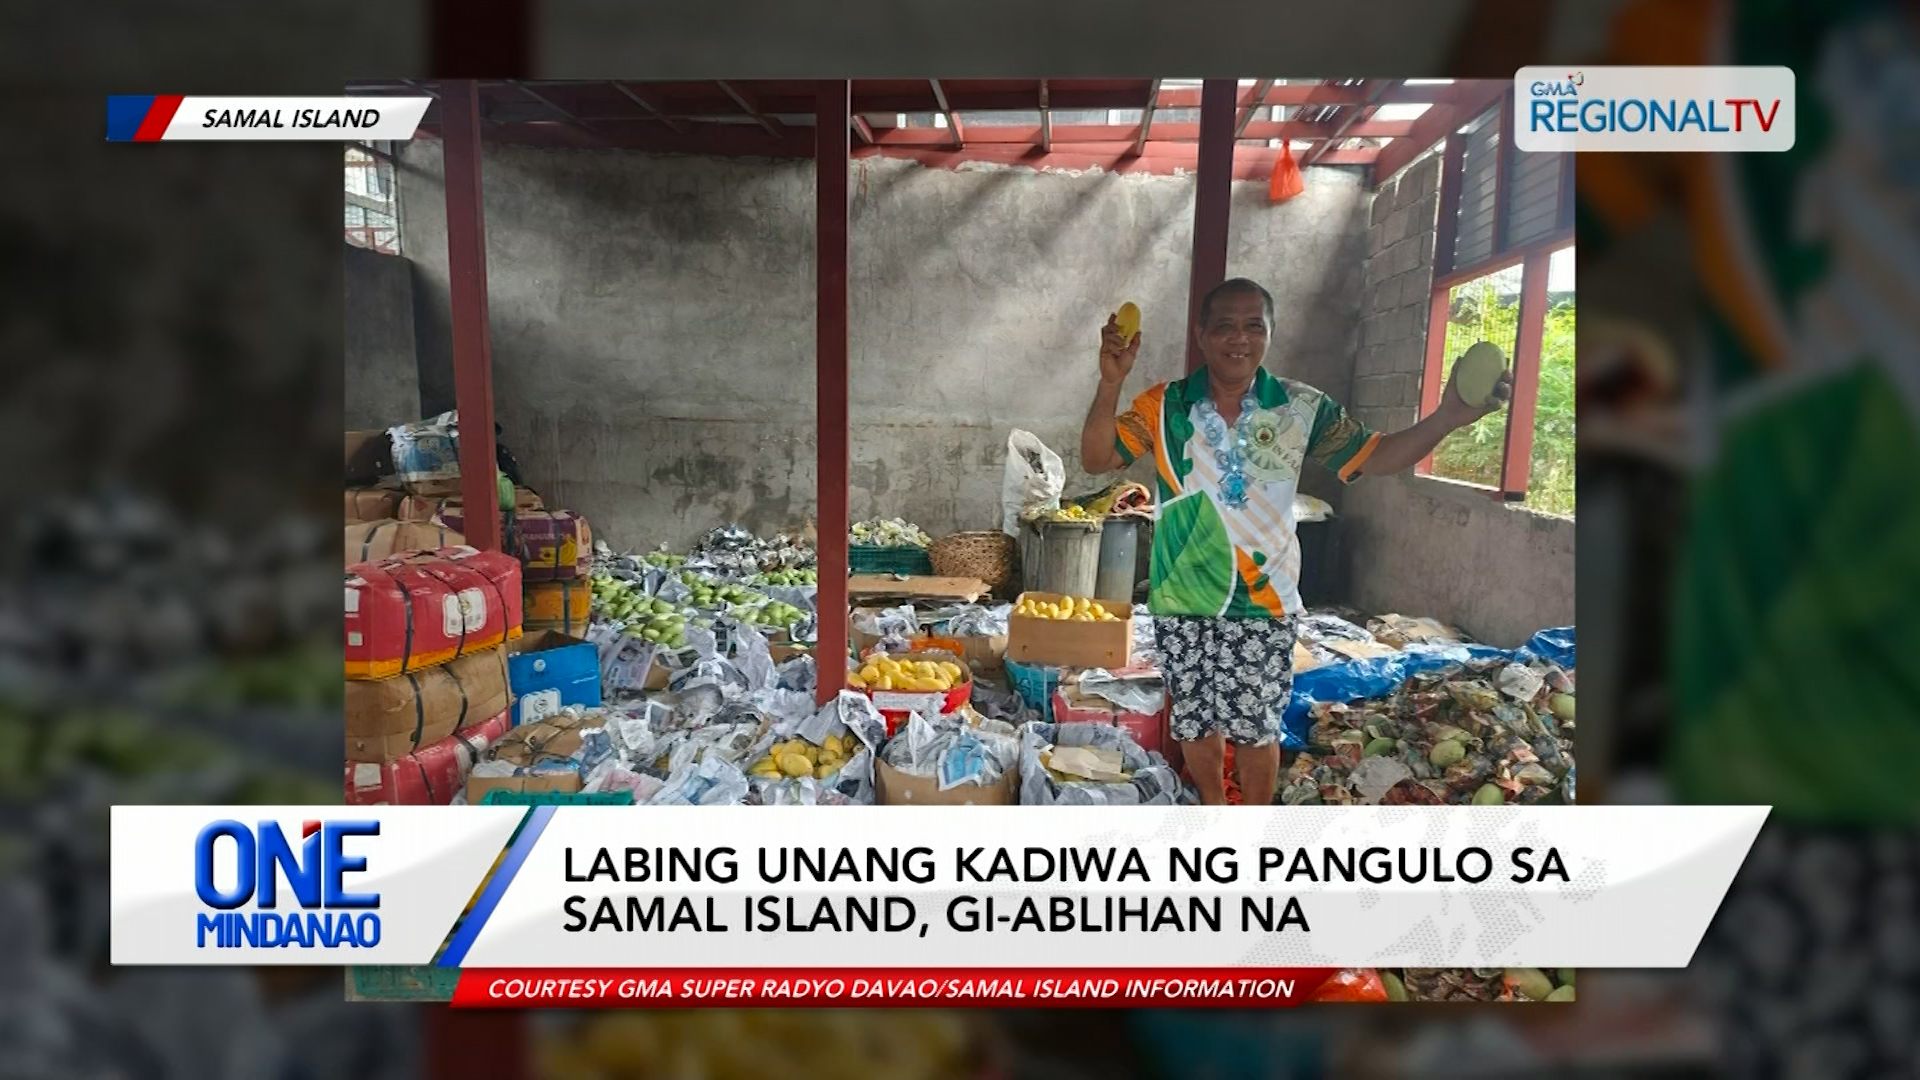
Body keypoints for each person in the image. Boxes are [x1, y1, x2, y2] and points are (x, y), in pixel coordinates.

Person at [1080, 278, 1512, 805]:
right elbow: (1097, 458)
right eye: (1224, 326)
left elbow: (1375, 455)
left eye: (1253, 326)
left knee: (1257, 728)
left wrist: (1449, 417)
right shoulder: (1164, 404)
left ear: (1270, 333)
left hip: (1265, 598)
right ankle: (1216, 815)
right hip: (1181, 597)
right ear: (1201, 335)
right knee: (1194, 723)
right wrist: (1110, 382)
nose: (1238, 338)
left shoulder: (1301, 407)